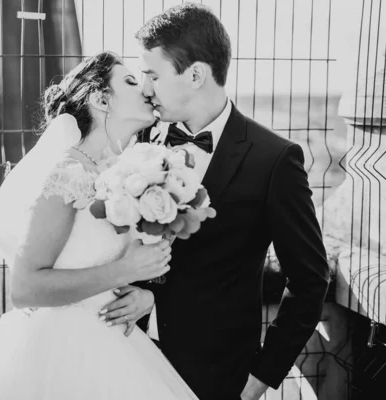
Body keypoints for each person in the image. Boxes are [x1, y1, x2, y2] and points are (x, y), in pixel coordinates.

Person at [100, 4, 331, 400]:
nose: (146, 88)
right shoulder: (139, 142)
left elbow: (310, 281)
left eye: (154, 74)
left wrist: (259, 379)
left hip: (218, 377)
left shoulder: (274, 160)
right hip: (128, 359)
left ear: (195, 74)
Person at [0, 52, 198, 400]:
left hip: (113, 342)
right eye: (131, 82)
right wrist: (125, 269)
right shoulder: (68, 174)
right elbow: (26, 287)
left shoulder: (113, 174)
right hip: (59, 352)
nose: (147, 91)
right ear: (100, 98)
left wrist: (144, 291)